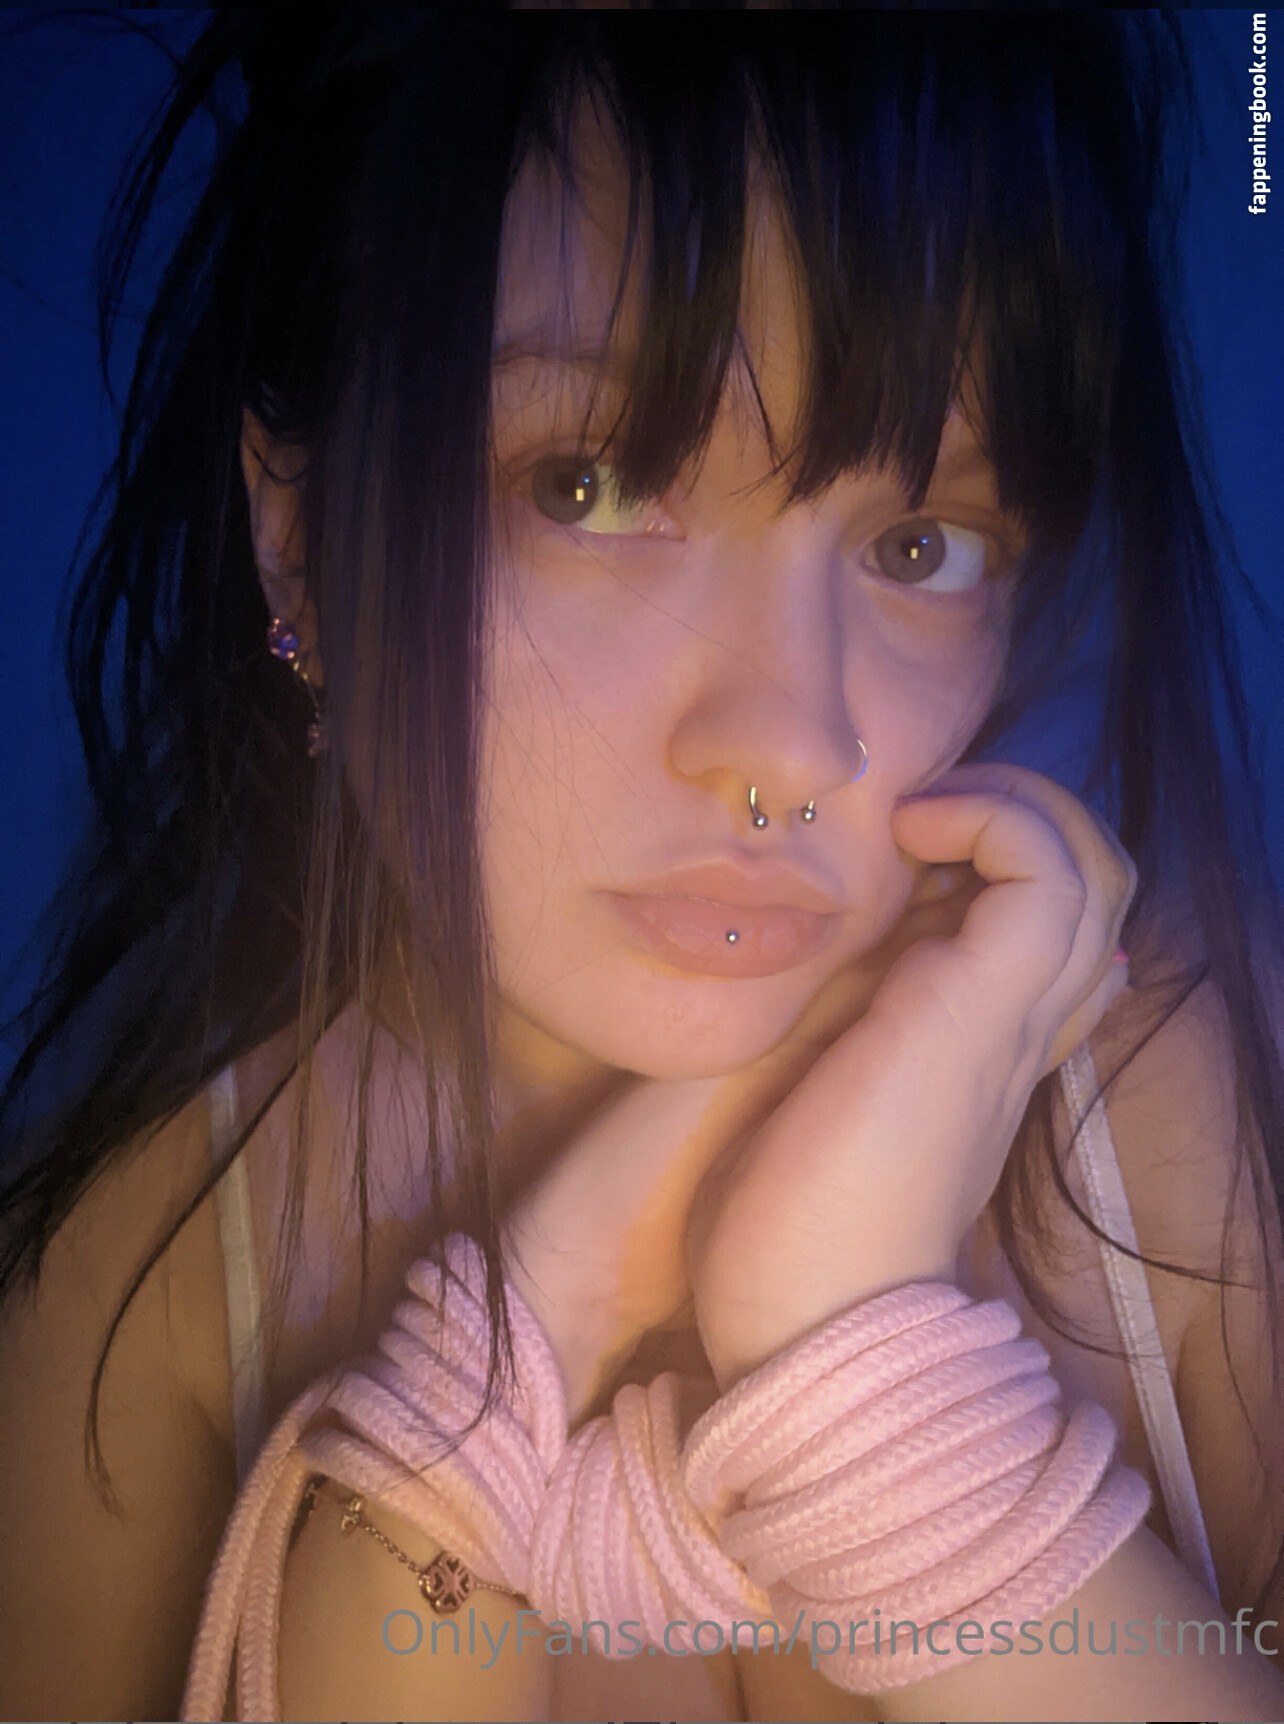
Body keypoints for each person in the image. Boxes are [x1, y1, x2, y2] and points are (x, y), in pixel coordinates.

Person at [1, 10, 1283, 1722]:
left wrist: (853, 1343)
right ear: (298, 541)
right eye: (588, 487)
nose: (789, 743)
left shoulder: (1190, 1101)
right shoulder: (126, 1303)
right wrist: (478, 1409)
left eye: (920, 544)